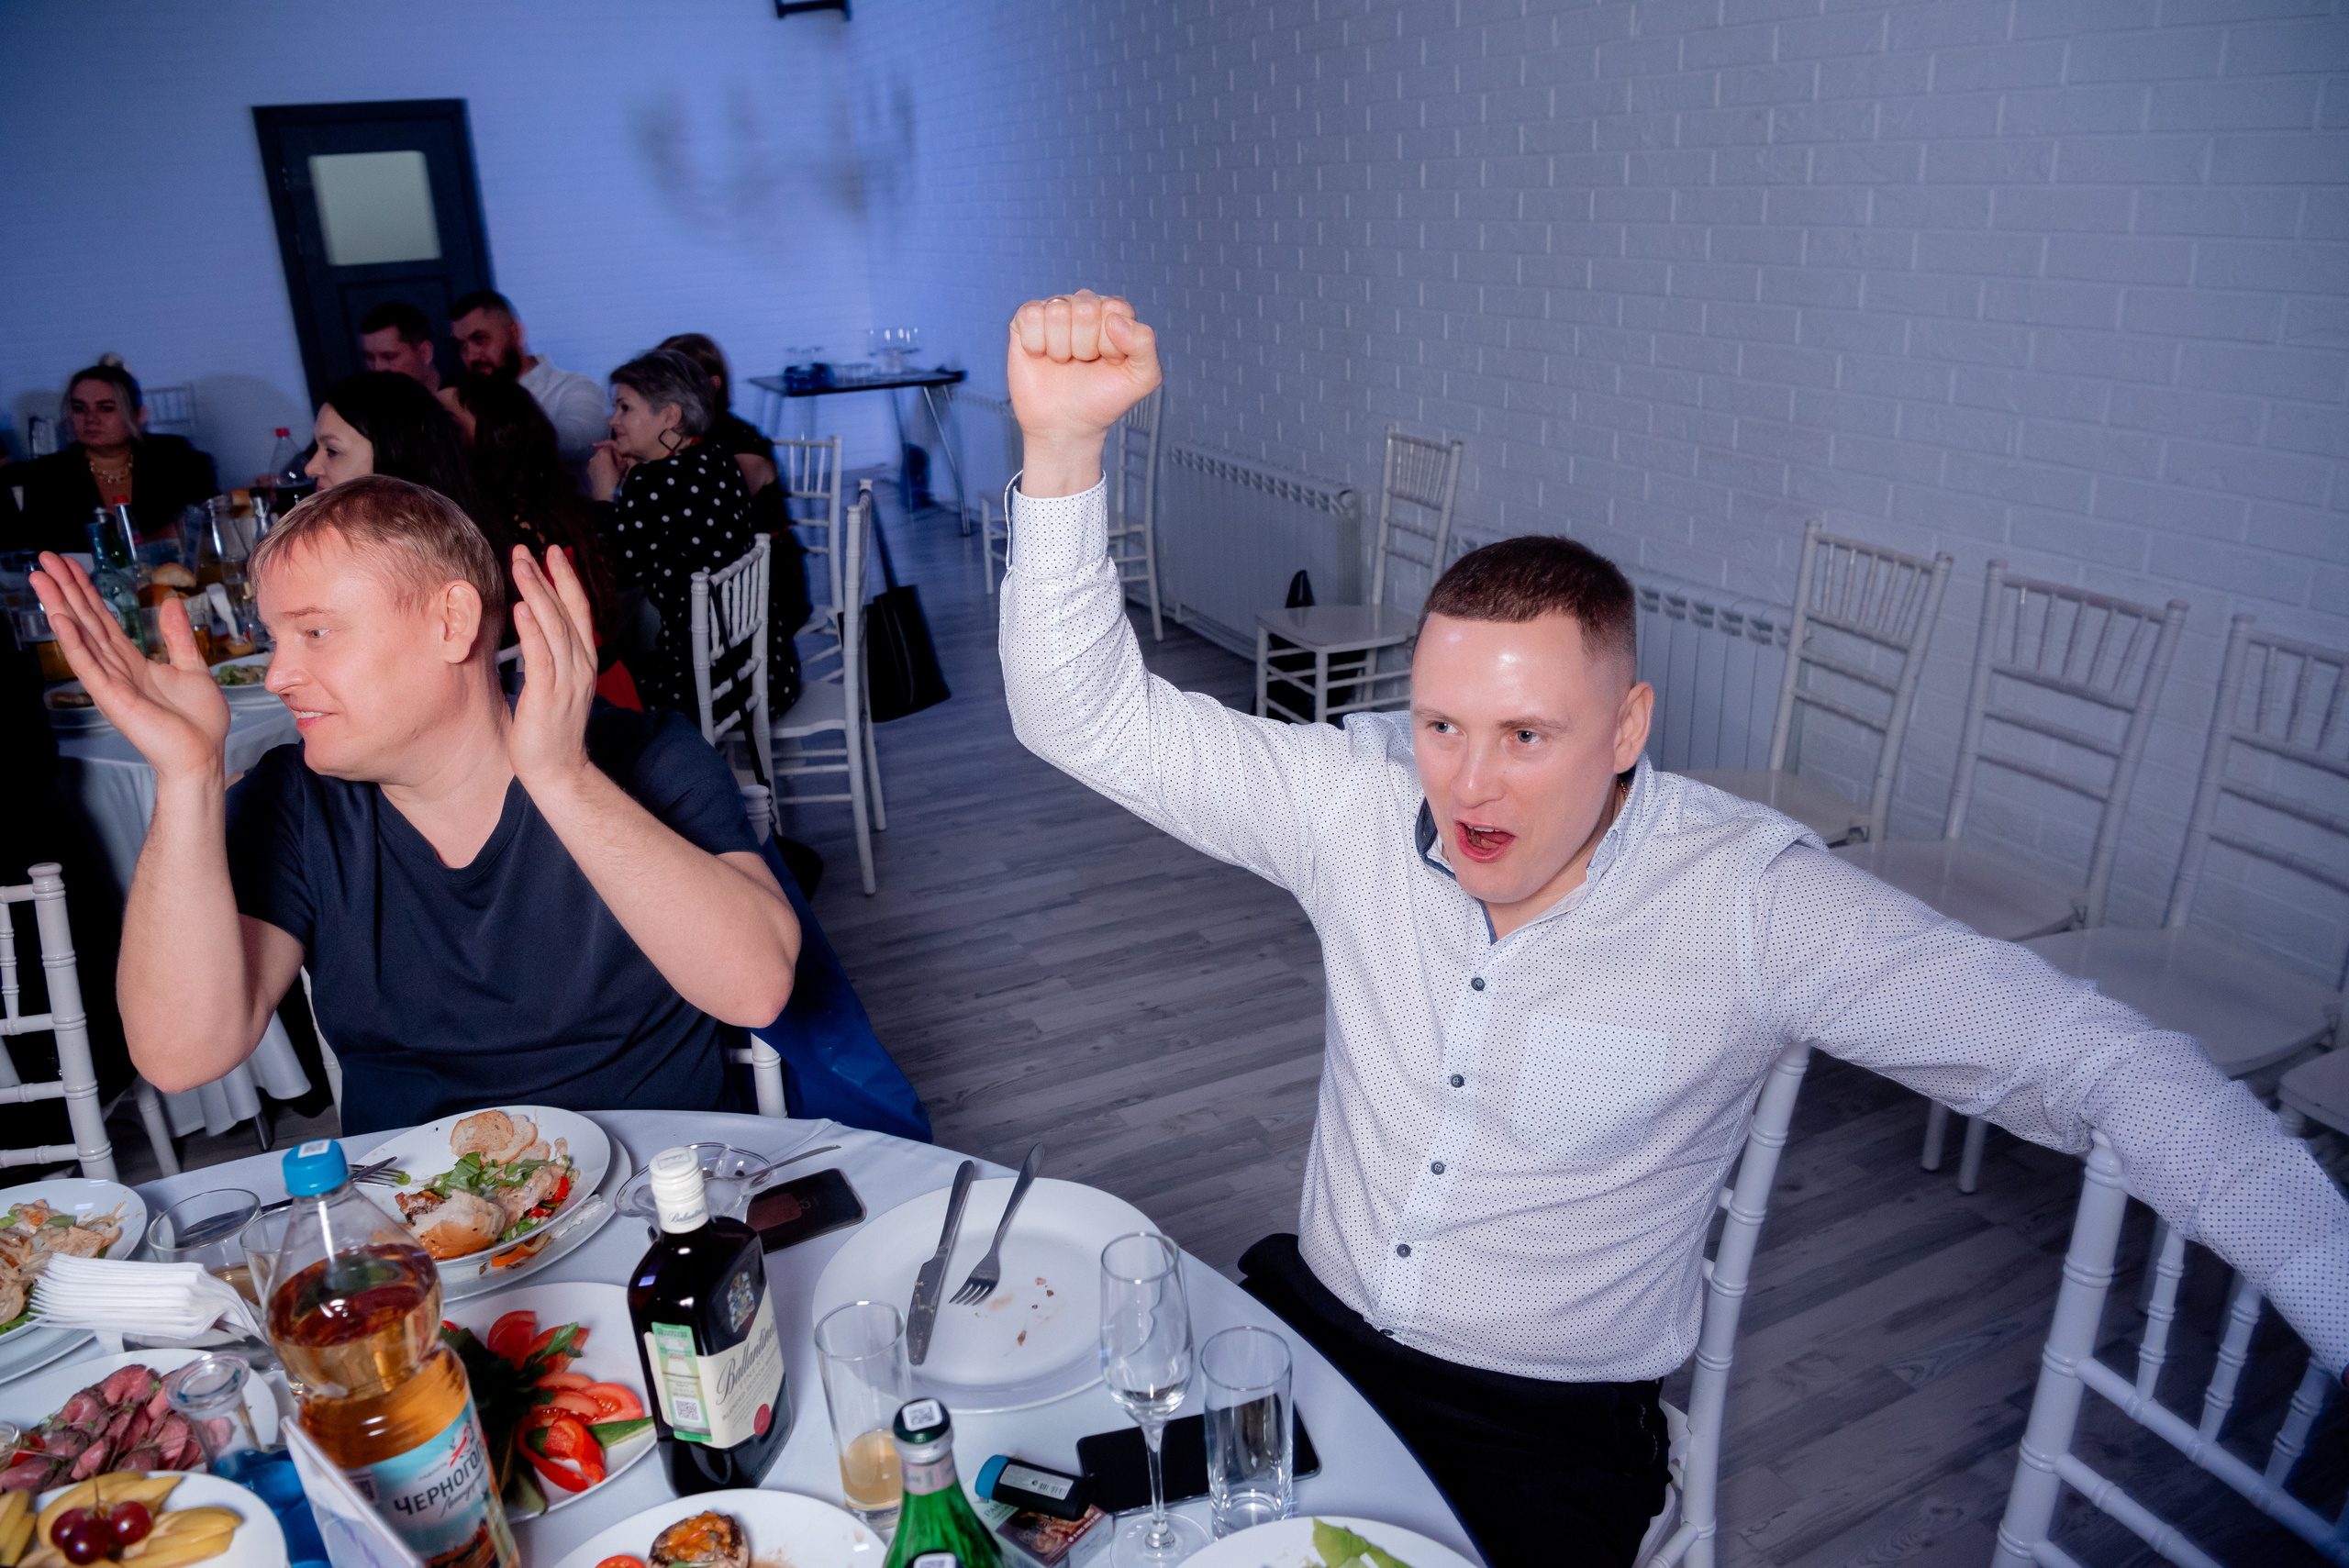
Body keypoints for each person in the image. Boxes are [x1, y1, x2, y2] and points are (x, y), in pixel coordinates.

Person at [997, 293, 2349, 1567]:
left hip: (1541, 1431)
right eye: (1443, 725)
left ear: (1628, 728)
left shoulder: (1750, 905)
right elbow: (1085, 716)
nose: (1469, 785)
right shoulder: (1353, 800)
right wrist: (1062, 450)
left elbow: (2104, 1062)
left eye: (1529, 735)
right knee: (1047, 1515)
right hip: (1315, 1340)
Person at [26, 474, 800, 1136]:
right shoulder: (293, 801)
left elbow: (756, 985)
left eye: (316, 632)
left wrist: (561, 777)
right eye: (274, 639)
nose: (276, 677)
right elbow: (178, 1053)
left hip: (654, 1203)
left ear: (452, 622)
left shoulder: (646, 755)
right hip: (420, 1237)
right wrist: (187, 776)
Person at [442, 373, 629, 699]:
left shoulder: (508, 529)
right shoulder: (551, 505)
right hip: (604, 682)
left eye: (448, 426)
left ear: (493, 438)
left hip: (584, 702)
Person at [589, 349, 753, 716]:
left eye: (625, 408)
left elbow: (612, 574)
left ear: (670, 415)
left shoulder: (652, 482)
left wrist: (603, 494)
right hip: (751, 666)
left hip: (699, 683)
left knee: (597, 700)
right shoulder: (716, 459)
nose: (613, 419)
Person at [7, 359, 218, 556]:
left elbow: (207, 524)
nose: (91, 418)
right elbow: (46, 548)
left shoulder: (175, 456)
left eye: (106, 408)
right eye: (79, 408)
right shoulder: (46, 474)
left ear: (139, 416)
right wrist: (161, 537)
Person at [450, 289, 605, 473]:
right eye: (461, 346)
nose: (471, 355)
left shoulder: (575, 388)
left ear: (515, 333)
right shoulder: (466, 401)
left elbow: (580, 440)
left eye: (480, 339)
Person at [655, 333, 777, 495]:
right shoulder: (666, 432)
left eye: (677, 385)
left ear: (712, 386)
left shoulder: (742, 441)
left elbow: (718, 502)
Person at [357, 301, 440, 392]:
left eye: (389, 357)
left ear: (425, 353)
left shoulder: (453, 402)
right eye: (370, 358)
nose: (378, 368)